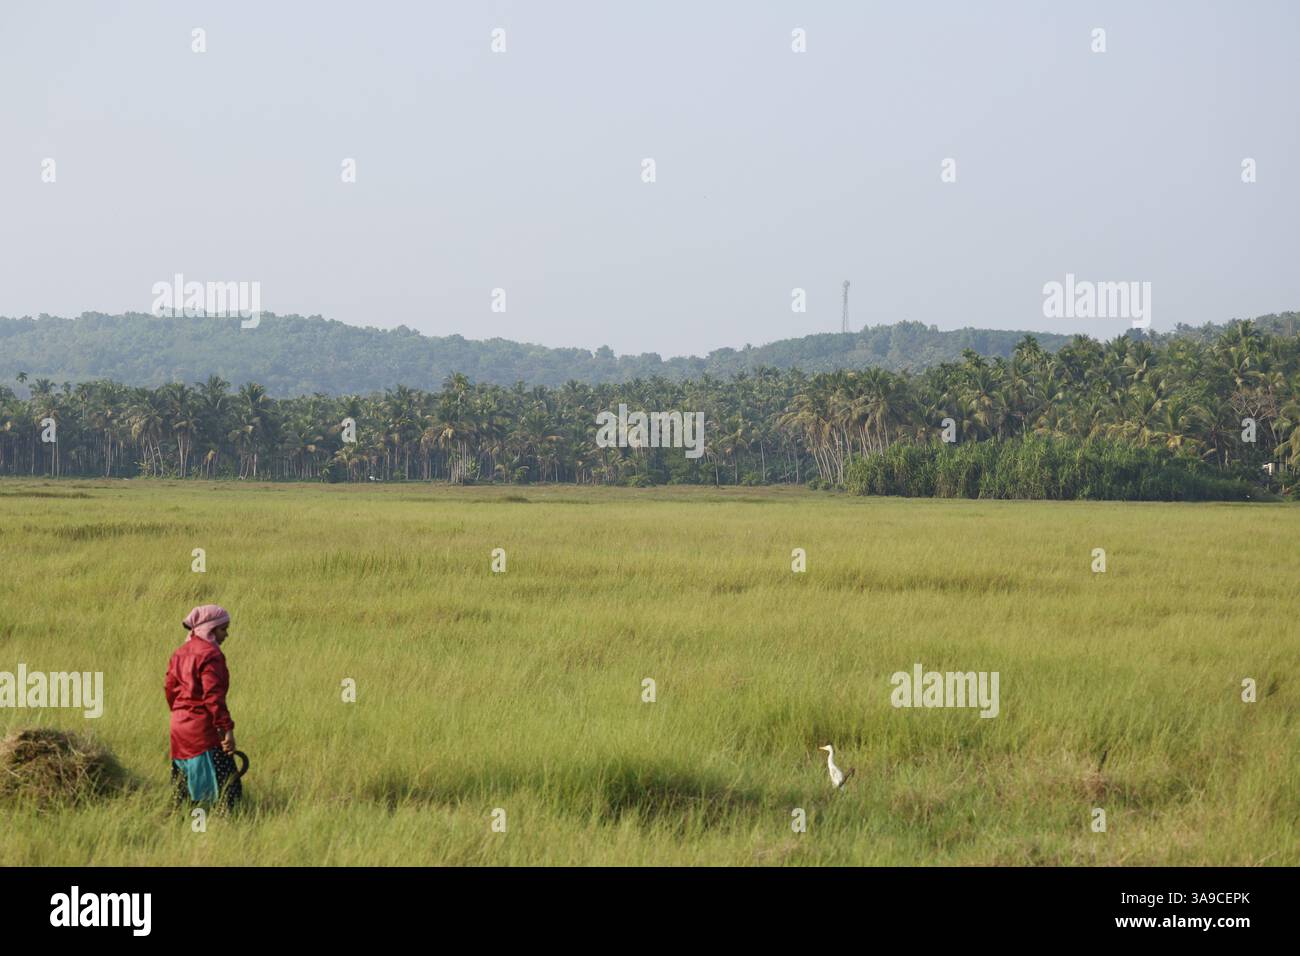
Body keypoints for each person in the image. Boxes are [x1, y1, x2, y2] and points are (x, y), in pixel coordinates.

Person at [165, 604, 242, 815]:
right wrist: (227, 730)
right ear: (210, 629)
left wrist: (182, 714)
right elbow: (213, 697)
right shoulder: (211, 655)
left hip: (178, 728)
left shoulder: (179, 653)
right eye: (222, 629)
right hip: (202, 731)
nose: (226, 634)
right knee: (227, 793)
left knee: (183, 789)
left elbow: (170, 691)